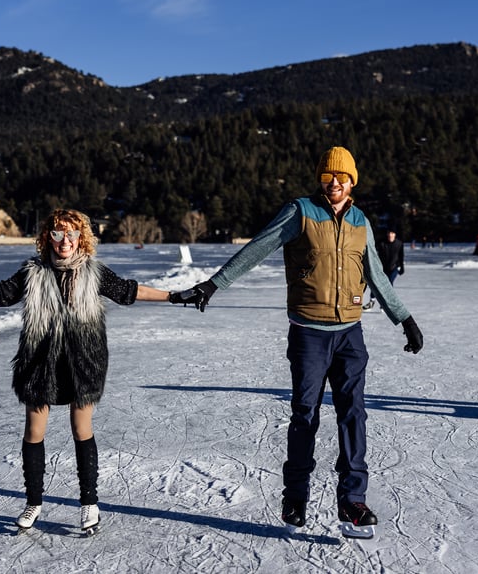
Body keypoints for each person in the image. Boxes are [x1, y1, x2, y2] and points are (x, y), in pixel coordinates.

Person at [174, 146, 423, 538]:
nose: (335, 184)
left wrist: (404, 318)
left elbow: (374, 270)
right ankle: (296, 495)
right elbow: (258, 246)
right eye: (328, 178)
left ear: (352, 181)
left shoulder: (360, 221)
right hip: (308, 332)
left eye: (342, 178)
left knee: (353, 414)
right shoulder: (301, 211)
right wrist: (214, 283)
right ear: (320, 180)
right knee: (305, 414)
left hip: (350, 333)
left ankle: (352, 500)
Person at [0, 208, 191, 534]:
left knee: (82, 428)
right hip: (40, 360)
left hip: (84, 360)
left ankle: (89, 503)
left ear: (82, 238)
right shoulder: (32, 271)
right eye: (58, 234)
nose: (65, 241)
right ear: (47, 237)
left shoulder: (94, 271)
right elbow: (0, 292)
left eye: (72, 234)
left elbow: (129, 291)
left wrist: (175, 296)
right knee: (34, 431)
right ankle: (33, 501)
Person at [362, 229, 404, 310]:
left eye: (392, 233)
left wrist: (402, 268)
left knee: (389, 284)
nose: (390, 235)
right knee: (376, 284)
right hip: (381, 268)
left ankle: (385, 303)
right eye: (389, 233)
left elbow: (401, 256)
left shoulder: (399, 244)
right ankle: (372, 301)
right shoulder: (381, 243)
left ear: (395, 235)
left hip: (393, 268)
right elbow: (372, 251)